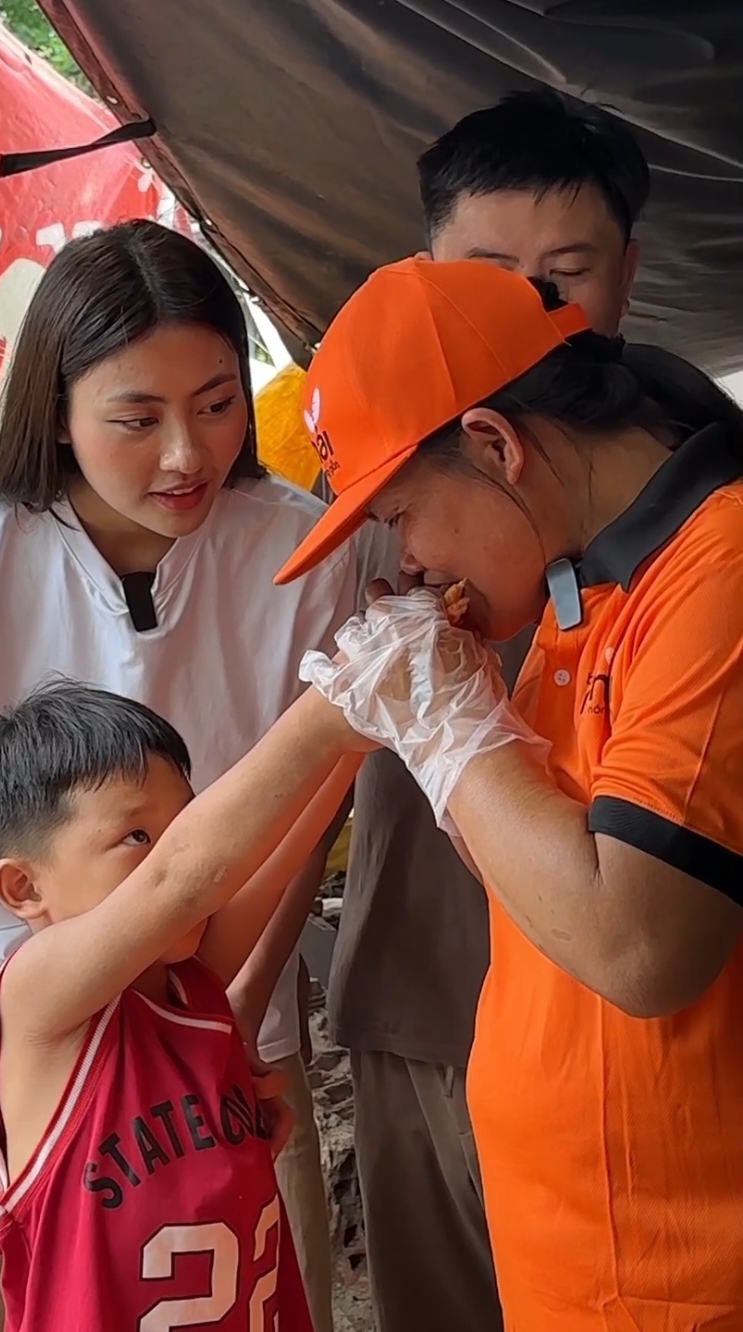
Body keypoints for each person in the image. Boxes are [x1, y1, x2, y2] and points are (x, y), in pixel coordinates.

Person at [0, 220, 386, 1332]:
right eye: (136, 419)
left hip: (219, 1007)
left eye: (215, 404)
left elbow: (302, 815)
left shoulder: (301, 550)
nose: (186, 457)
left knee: (243, 1280)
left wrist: (237, 1009)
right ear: (54, 412)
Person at [272, 255, 743, 1329]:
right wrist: (458, 721)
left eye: (402, 517)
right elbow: (537, 879)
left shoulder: (720, 573)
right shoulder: (588, 583)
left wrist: (451, 731)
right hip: (583, 1263)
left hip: (684, 1284)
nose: (413, 561)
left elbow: (637, 946)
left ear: (493, 444)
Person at [328, 90, 651, 1332]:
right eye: (484, 278)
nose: (523, 321)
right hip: (428, 981)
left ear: (627, 272)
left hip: (625, 1036)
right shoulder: (375, 461)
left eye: (563, 280)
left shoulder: (693, 479)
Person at [0, 680, 358, 1331]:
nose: (173, 851)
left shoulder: (186, 982)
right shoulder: (36, 1000)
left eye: (184, 824)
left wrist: (361, 731)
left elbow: (277, 857)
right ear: (22, 887)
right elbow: (181, 882)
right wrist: (341, 694)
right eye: (138, 836)